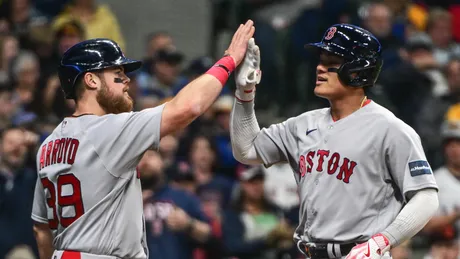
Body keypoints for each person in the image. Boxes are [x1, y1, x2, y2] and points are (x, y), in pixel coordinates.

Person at [30, 20, 255, 259]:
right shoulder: (110, 129)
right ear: (91, 80)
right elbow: (190, 106)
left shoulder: (49, 144)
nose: (127, 80)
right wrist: (229, 60)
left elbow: (41, 229)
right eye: (117, 73)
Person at [230, 23, 440, 259]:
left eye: (331, 63)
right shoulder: (303, 124)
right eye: (321, 60)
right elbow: (246, 150)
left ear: (358, 69)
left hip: (361, 254)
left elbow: (426, 197)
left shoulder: (390, 129)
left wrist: (383, 241)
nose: (319, 68)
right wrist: (245, 91)